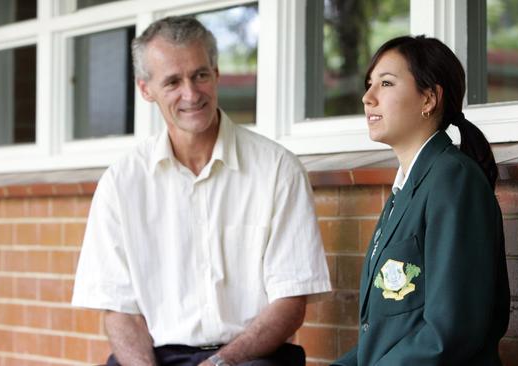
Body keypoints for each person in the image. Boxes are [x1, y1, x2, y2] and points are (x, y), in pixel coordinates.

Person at [72, 15, 331, 366]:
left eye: (200, 75)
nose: (191, 94)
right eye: (173, 82)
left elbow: (290, 304)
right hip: (157, 358)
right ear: (146, 89)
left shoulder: (277, 170)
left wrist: (219, 363)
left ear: (216, 74)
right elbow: (121, 312)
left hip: (251, 357)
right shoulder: (121, 183)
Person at [332, 35, 510, 365]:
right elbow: (385, 334)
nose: (367, 98)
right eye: (369, 84)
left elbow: (449, 332)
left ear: (429, 98)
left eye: (385, 83)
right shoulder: (407, 188)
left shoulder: (453, 180)